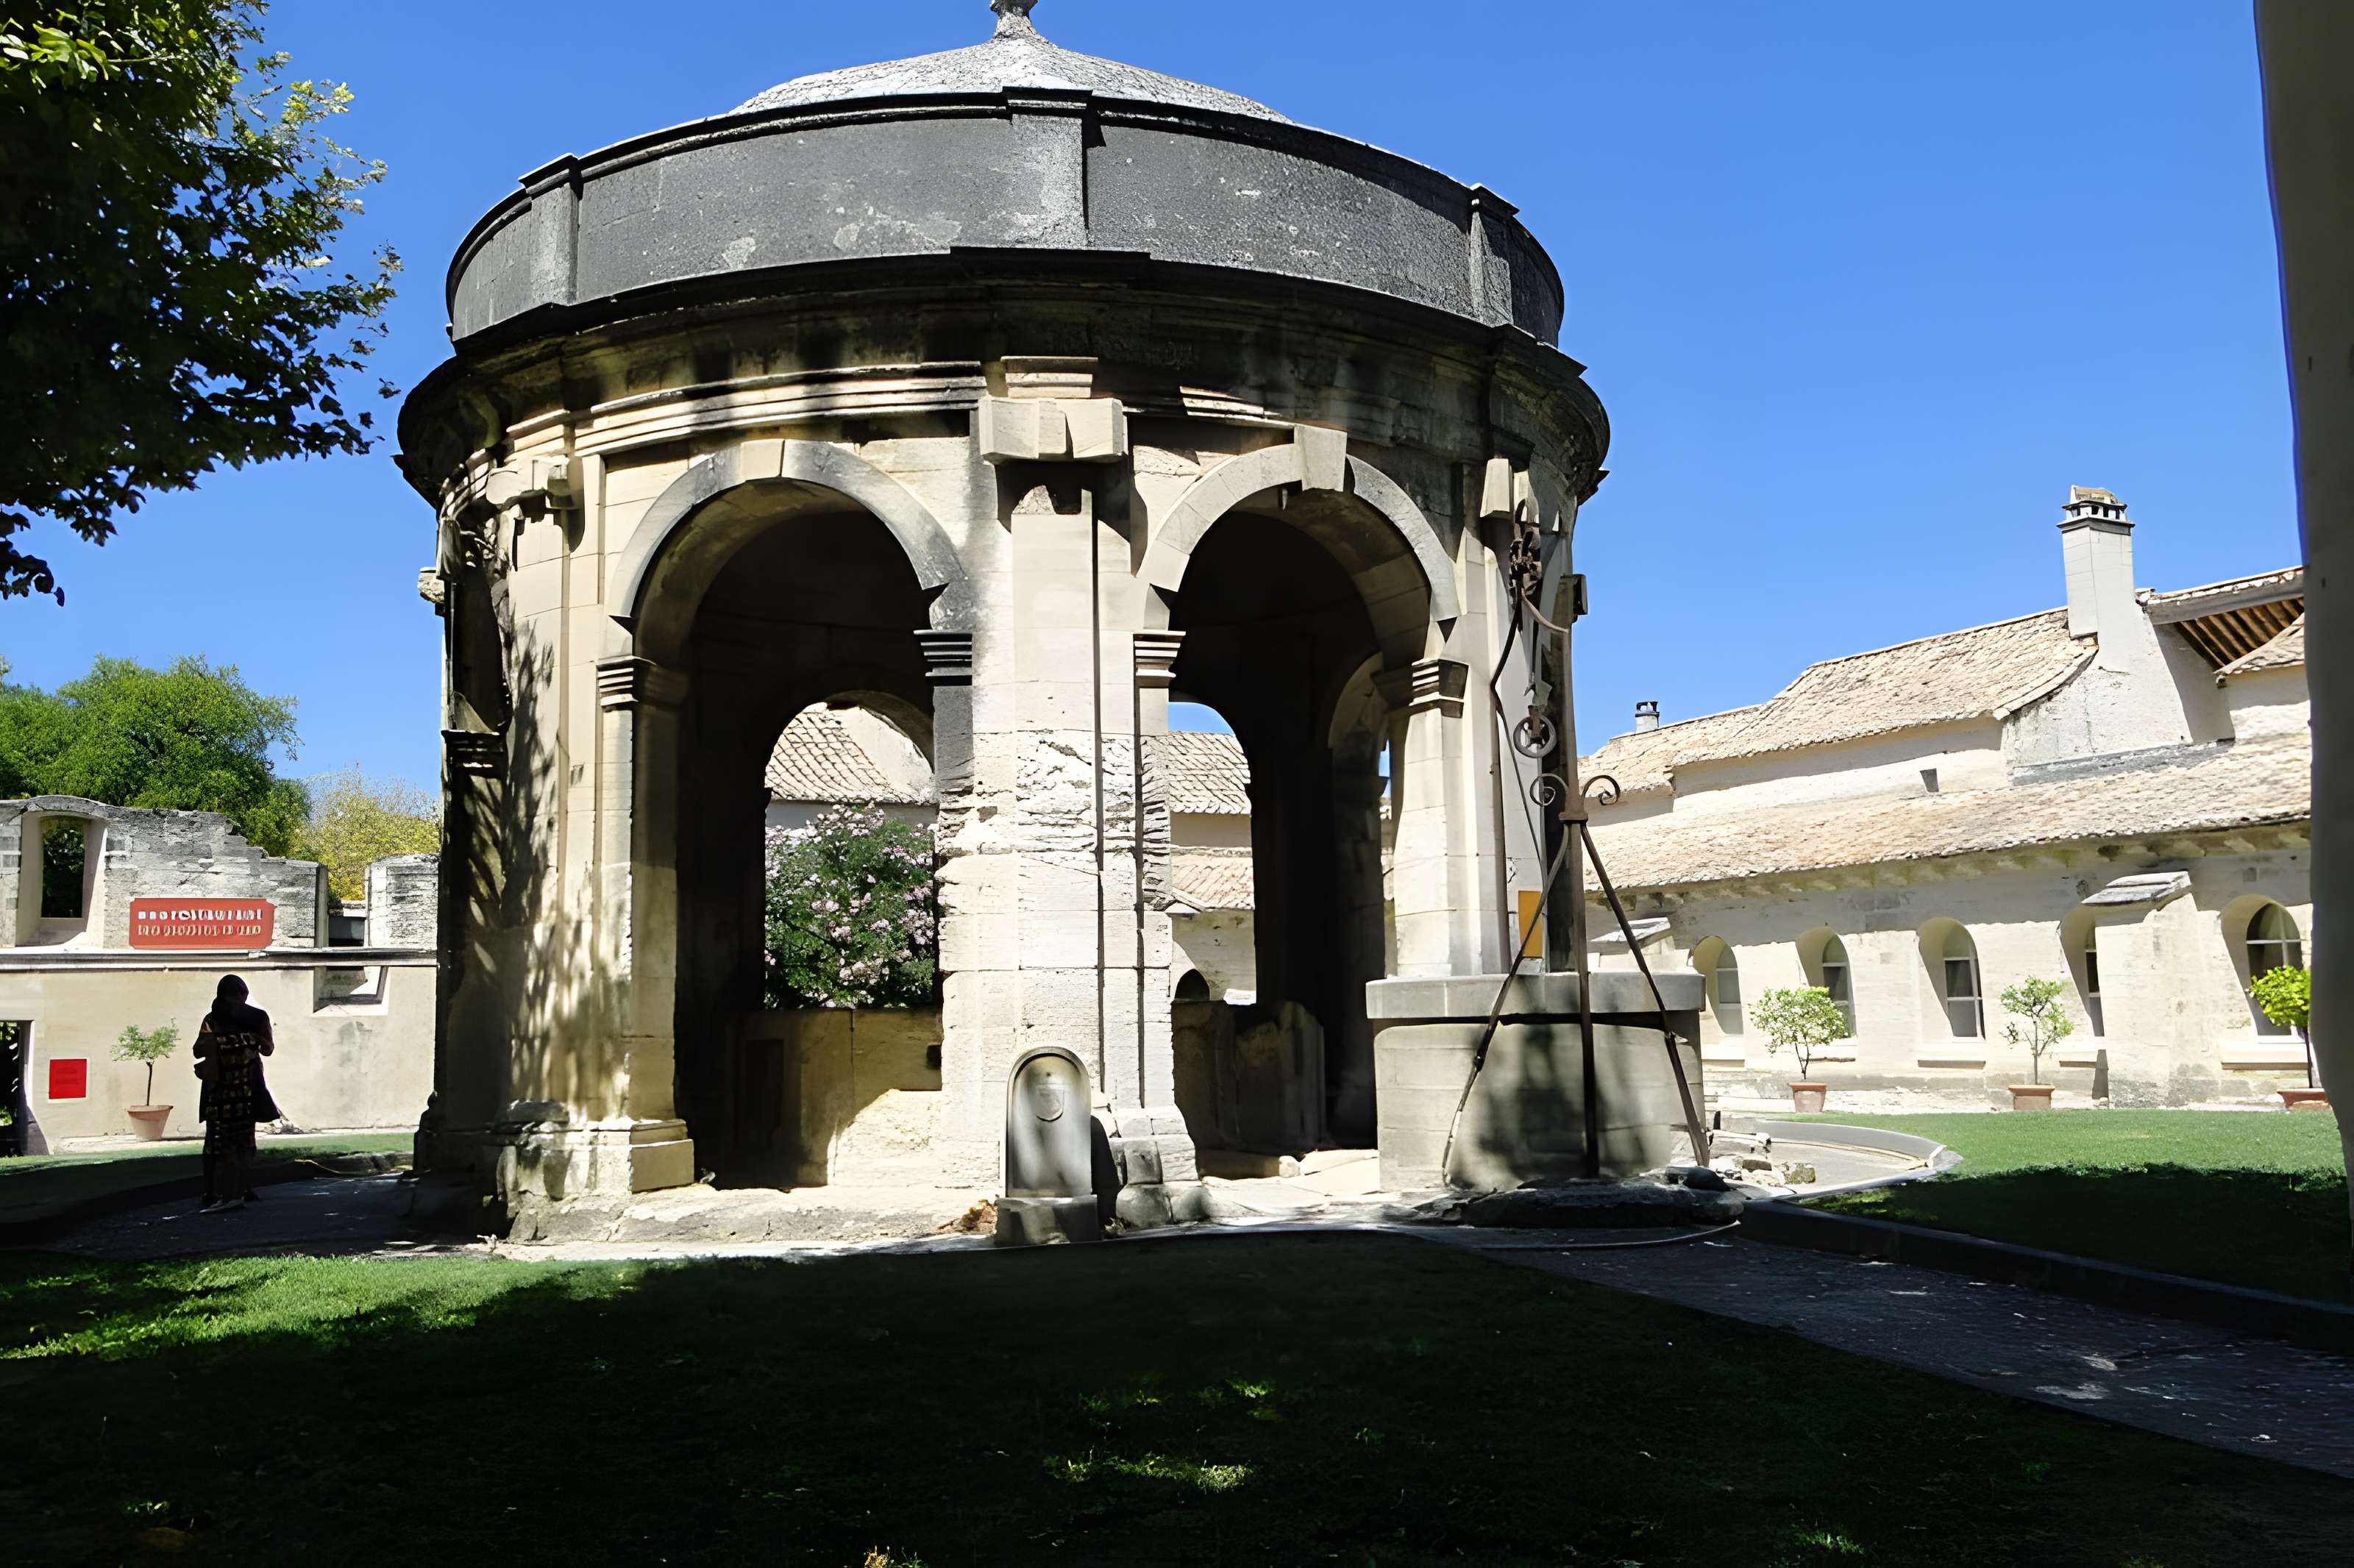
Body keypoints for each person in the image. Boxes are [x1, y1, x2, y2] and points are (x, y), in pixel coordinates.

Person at [193, 974, 277, 1211]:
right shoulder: (254, 1017)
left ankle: (217, 1191)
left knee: (216, 1142)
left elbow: (198, 1050)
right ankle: (236, 1189)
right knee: (242, 1141)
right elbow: (268, 1049)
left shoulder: (214, 1018)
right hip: (243, 1087)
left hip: (220, 1087)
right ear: (243, 993)